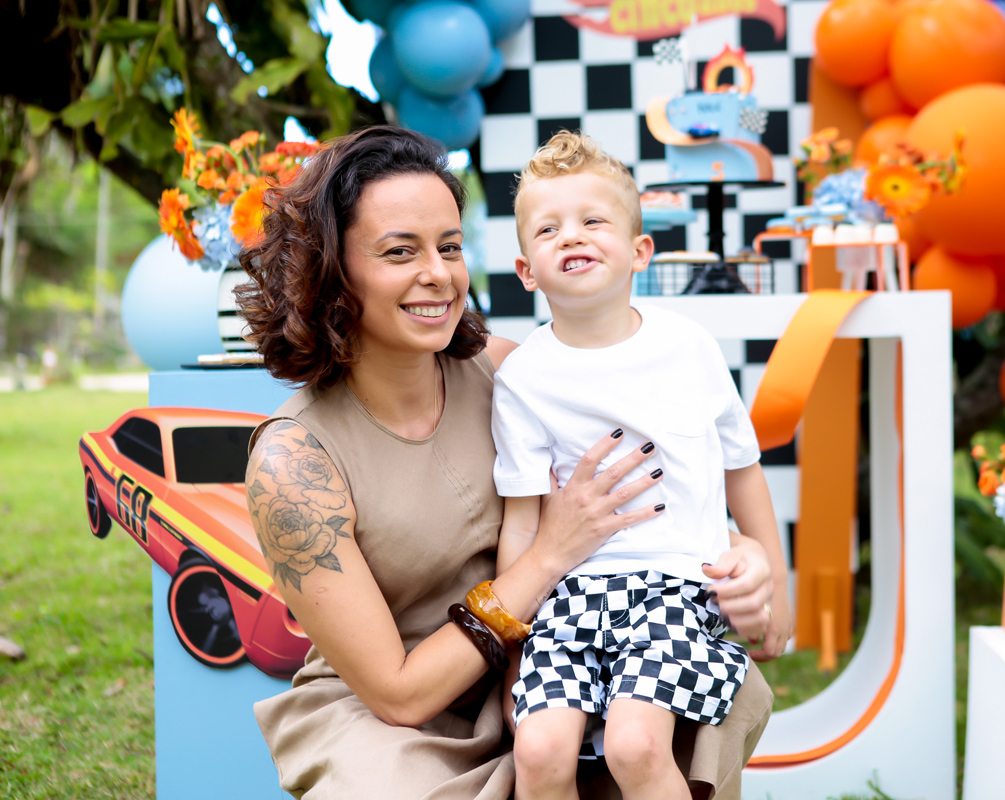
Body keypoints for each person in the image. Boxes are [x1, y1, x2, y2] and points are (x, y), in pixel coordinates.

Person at [236, 125, 778, 799]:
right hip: (398, 719)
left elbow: (645, 501)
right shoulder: (293, 465)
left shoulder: (511, 373)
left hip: (549, 662)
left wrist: (745, 556)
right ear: (330, 272)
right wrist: (546, 558)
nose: (439, 274)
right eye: (400, 251)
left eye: (450, 246)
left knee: (661, 718)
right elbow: (400, 695)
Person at [491, 132, 792, 800]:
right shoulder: (523, 378)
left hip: (676, 590)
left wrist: (778, 581)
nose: (572, 236)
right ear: (526, 270)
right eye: (548, 228)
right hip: (569, 600)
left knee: (637, 744)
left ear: (639, 251)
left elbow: (741, 467)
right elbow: (522, 523)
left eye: (593, 221)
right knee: (537, 751)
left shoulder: (688, 347)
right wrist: (515, 656)